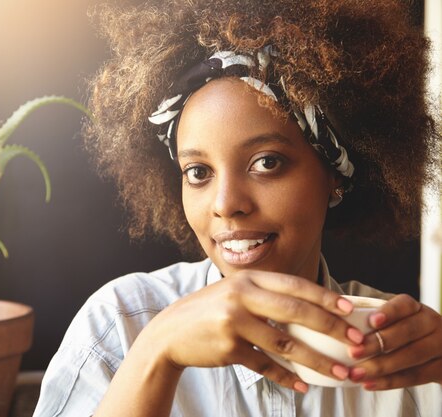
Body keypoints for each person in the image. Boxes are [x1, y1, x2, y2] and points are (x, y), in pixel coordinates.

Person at [33, 0, 442, 415]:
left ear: (335, 172)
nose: (227, 204)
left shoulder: (404, 349)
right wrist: (157, 354)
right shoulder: (119, 328)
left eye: (267, 163)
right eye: (197, 172)